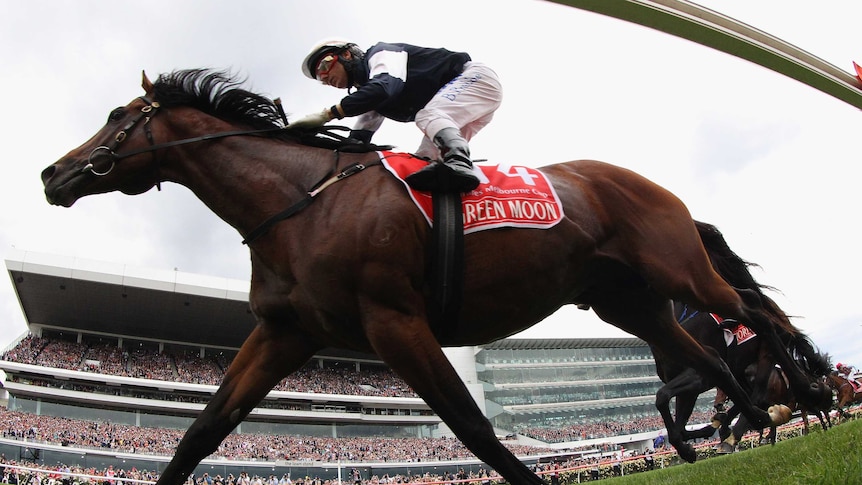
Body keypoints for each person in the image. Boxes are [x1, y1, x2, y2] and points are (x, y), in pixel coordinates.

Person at [293, 39, 503, 193]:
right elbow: (357, 141)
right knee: (423, 161)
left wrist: (326, 115)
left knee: (427, 115)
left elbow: (383, 88)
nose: (325, 77)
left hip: (474, 79)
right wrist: (309, 143)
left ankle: (460, 161)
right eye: (320, 78)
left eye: (324, 65)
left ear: (346, 55)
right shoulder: (370, 91)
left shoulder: (381, 54)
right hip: (465, 99)